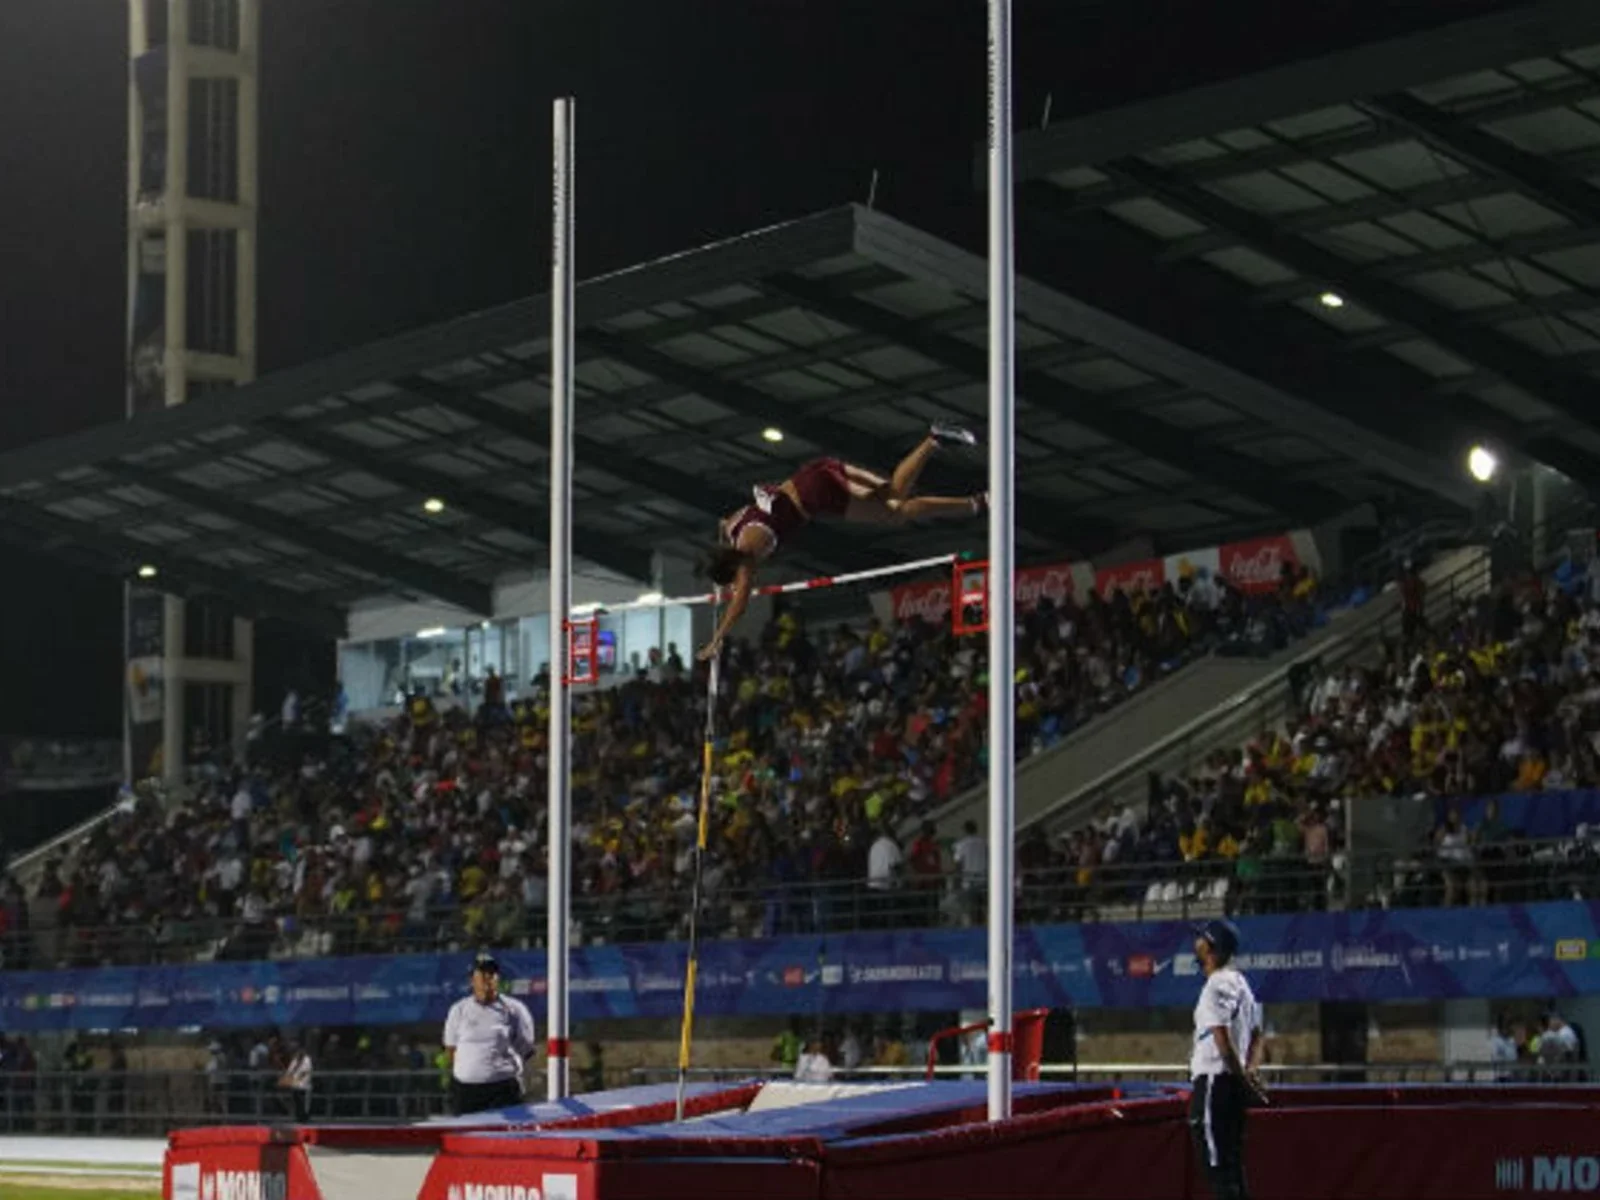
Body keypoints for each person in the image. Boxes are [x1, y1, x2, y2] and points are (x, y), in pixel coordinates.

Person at [698, 426, 985, 660]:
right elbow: (723, 523)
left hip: (819, 494)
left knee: (895, 510)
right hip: (816, 472)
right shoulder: (734, 526)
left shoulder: (747, 559)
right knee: (894, 499)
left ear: (735, 570)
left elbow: (740, 605)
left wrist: (717, 639)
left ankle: (954, 472)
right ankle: (964, 486)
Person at [1188, 919, 1265, 1200]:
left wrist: (1244, 1079)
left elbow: (1222, 1040)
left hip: (1214, 1082)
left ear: (1211, 948)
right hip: (1230, 1083)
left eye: (1201, 940)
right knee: (1232, 1167)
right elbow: (1258, 1034)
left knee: (1218, 1169)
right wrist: (1250, 1071)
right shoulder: (1241, 982)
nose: (1195, 944)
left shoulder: (1216, 985)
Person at [443, 952, 537, 1115]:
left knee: (506, 1138)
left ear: (498, 978)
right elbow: (451, 1049)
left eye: (492, 973)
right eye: (482, 973)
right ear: (472, 979)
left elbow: (526, 1048)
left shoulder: (515, 1009)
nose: (488, 977)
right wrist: (471, 1070)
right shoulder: (458, 1010)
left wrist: (499, 1070)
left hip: (503, 1090)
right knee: (467, 1138)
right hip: (466, 1091)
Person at [278, 1040, 313, 1123]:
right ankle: (298, 1118)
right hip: (295, 1085)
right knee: (297, 1103)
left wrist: (296, 1076)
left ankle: (304, 1119)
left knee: (304, 1104)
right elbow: (289, 1071)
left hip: (304, 1086)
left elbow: (306, 1071)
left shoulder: (307, 1059)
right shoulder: (295, 1060)